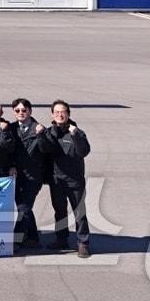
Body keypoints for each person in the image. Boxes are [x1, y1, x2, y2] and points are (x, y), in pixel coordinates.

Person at [44, 100, 92, 257]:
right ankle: (61, 239)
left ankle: (83, 242)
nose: (59, 114)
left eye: (62, 112)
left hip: (74, 181)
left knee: (79, 213)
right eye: (56, 112)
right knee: (59, 211)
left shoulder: (77, 132)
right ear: (52, 114)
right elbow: (44, 150)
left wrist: (75, 135)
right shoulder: (49, 132)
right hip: (56, 180)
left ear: (68, 114)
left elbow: (84, 151)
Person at [9, 97, 47, 251]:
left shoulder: (38, 129)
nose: (21, 113)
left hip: (33, 176)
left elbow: (46, 150)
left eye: (24, 110)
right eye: (17, 110)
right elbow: (8, 150)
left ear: (30, 111)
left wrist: (41, 135)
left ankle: (16, 240)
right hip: (16, 176)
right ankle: (33, 238)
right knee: (23, 207)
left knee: (23, 208)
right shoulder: (11, 128)